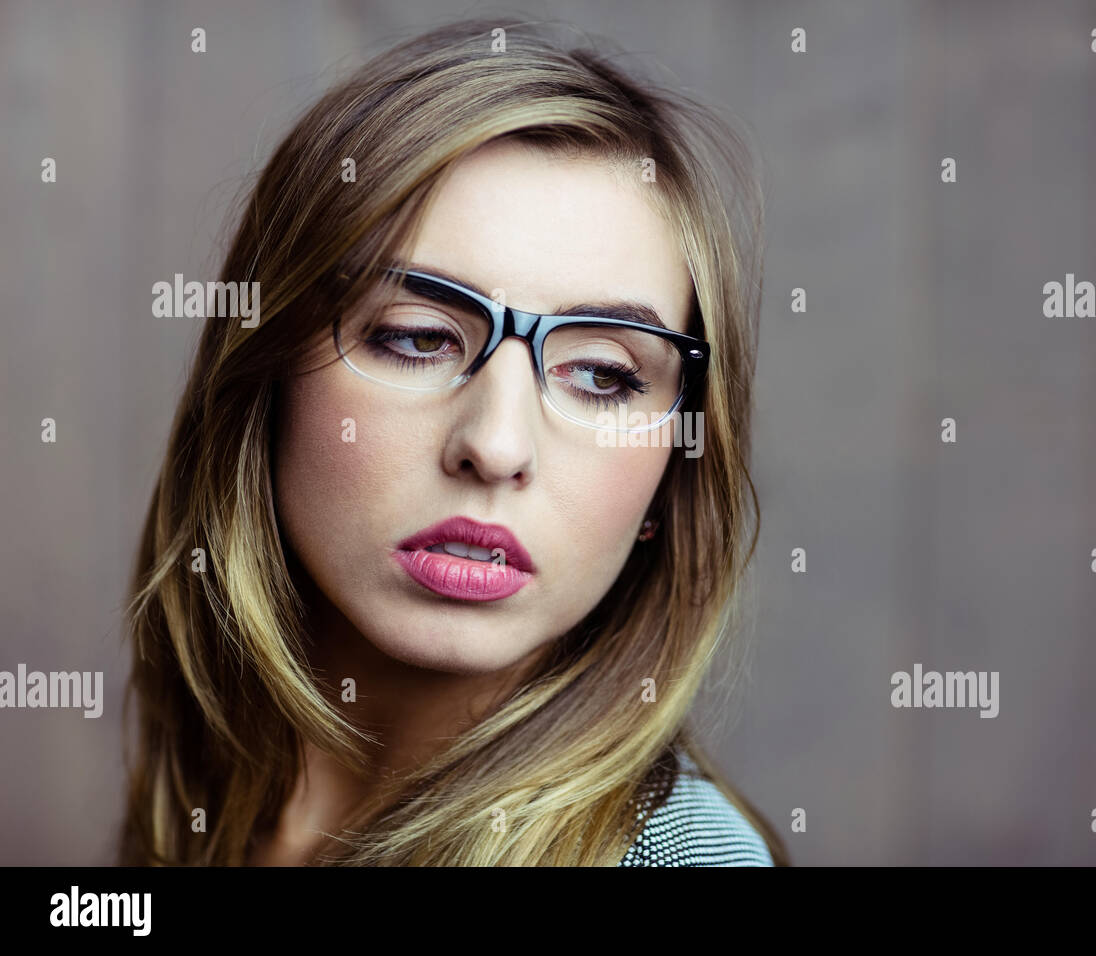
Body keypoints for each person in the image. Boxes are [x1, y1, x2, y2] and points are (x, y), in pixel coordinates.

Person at [119, 16, 784, 867]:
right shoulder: (212, 797)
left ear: (673, 475)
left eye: (603, 375)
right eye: (419, 336)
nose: (498, 445)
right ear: (266, 379)